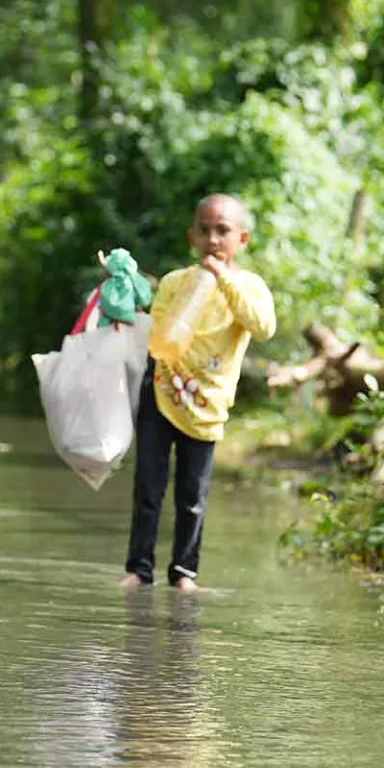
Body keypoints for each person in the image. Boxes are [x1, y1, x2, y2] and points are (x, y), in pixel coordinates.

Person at [120, 194, 275, 591]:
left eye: (223, 231)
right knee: (148, 488)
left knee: (192, 495)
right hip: (162, 389)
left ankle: (184, 572)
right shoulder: (176, 282)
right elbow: (161, 336)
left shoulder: (250, 286)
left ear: (242, 239)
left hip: (208, 402)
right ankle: (138, 569)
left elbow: (263, 327)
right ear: (192, 237)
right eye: (204, 231)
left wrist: (223, 282)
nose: (213, 240)